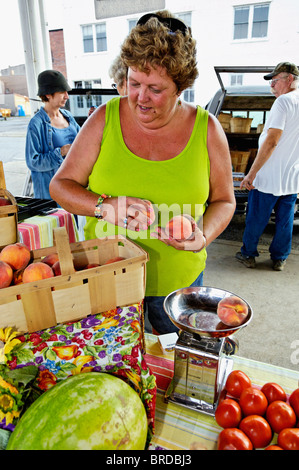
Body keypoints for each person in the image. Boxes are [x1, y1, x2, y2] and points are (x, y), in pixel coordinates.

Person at [49, 11, 236, 334]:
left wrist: (203, 235)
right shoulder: (103, 119)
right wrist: (105, 205)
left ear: (181, 87)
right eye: (134, 83)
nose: (140, 98)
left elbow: (225, 201)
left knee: (176, 364)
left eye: (155, 89)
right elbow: (61, 186)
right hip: (109, 275)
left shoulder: (207, 129)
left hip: (178, 282)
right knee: (112, 365)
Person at [236, 62, 299, 271]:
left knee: (256, 217)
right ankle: (279, 258)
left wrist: (251, 174)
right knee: (284, 221)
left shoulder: (283, 102)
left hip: (268, 177)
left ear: (289, 79)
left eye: (275, 80)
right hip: (291, 178)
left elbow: (271, 141)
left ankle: (248, 254)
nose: (272, 85)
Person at [25, 69, 80, 200]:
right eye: (62, 92)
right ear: (48, 94)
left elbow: (84, 142)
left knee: (74, 221)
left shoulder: (68, 117)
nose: (67, 96)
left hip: (74, 188)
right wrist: (61, 152)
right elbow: (33, 162)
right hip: (52, 195)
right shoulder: (36, 124)